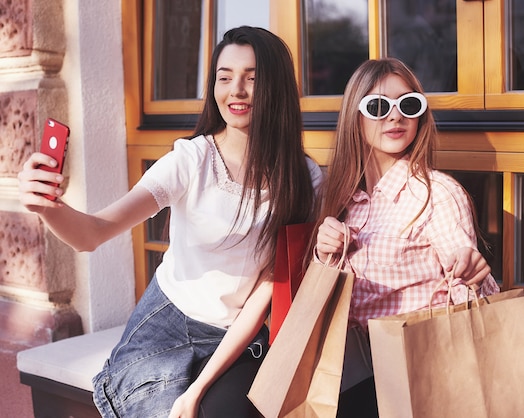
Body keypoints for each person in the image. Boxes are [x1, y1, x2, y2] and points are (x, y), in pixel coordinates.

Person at [18, 26, 322, 418]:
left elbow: (266, 289)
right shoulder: (191, 161)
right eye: (224, 77)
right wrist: (47, 206)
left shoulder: (303, 179)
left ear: (277, 87)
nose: (237, 91)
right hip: (168, 325)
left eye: (252, 78)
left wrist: (197, 389)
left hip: (239, 335)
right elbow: (92, 234)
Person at [314, 57, 500, 417]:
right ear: (355, 116)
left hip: (418, 372)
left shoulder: (435, 194)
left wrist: (474, 270)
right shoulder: (340, 198)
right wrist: (324, 256)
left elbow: (471, 296)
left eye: (409, 104)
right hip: (349, 369)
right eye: (379, 106)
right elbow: (324, 300)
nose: (396, 116)